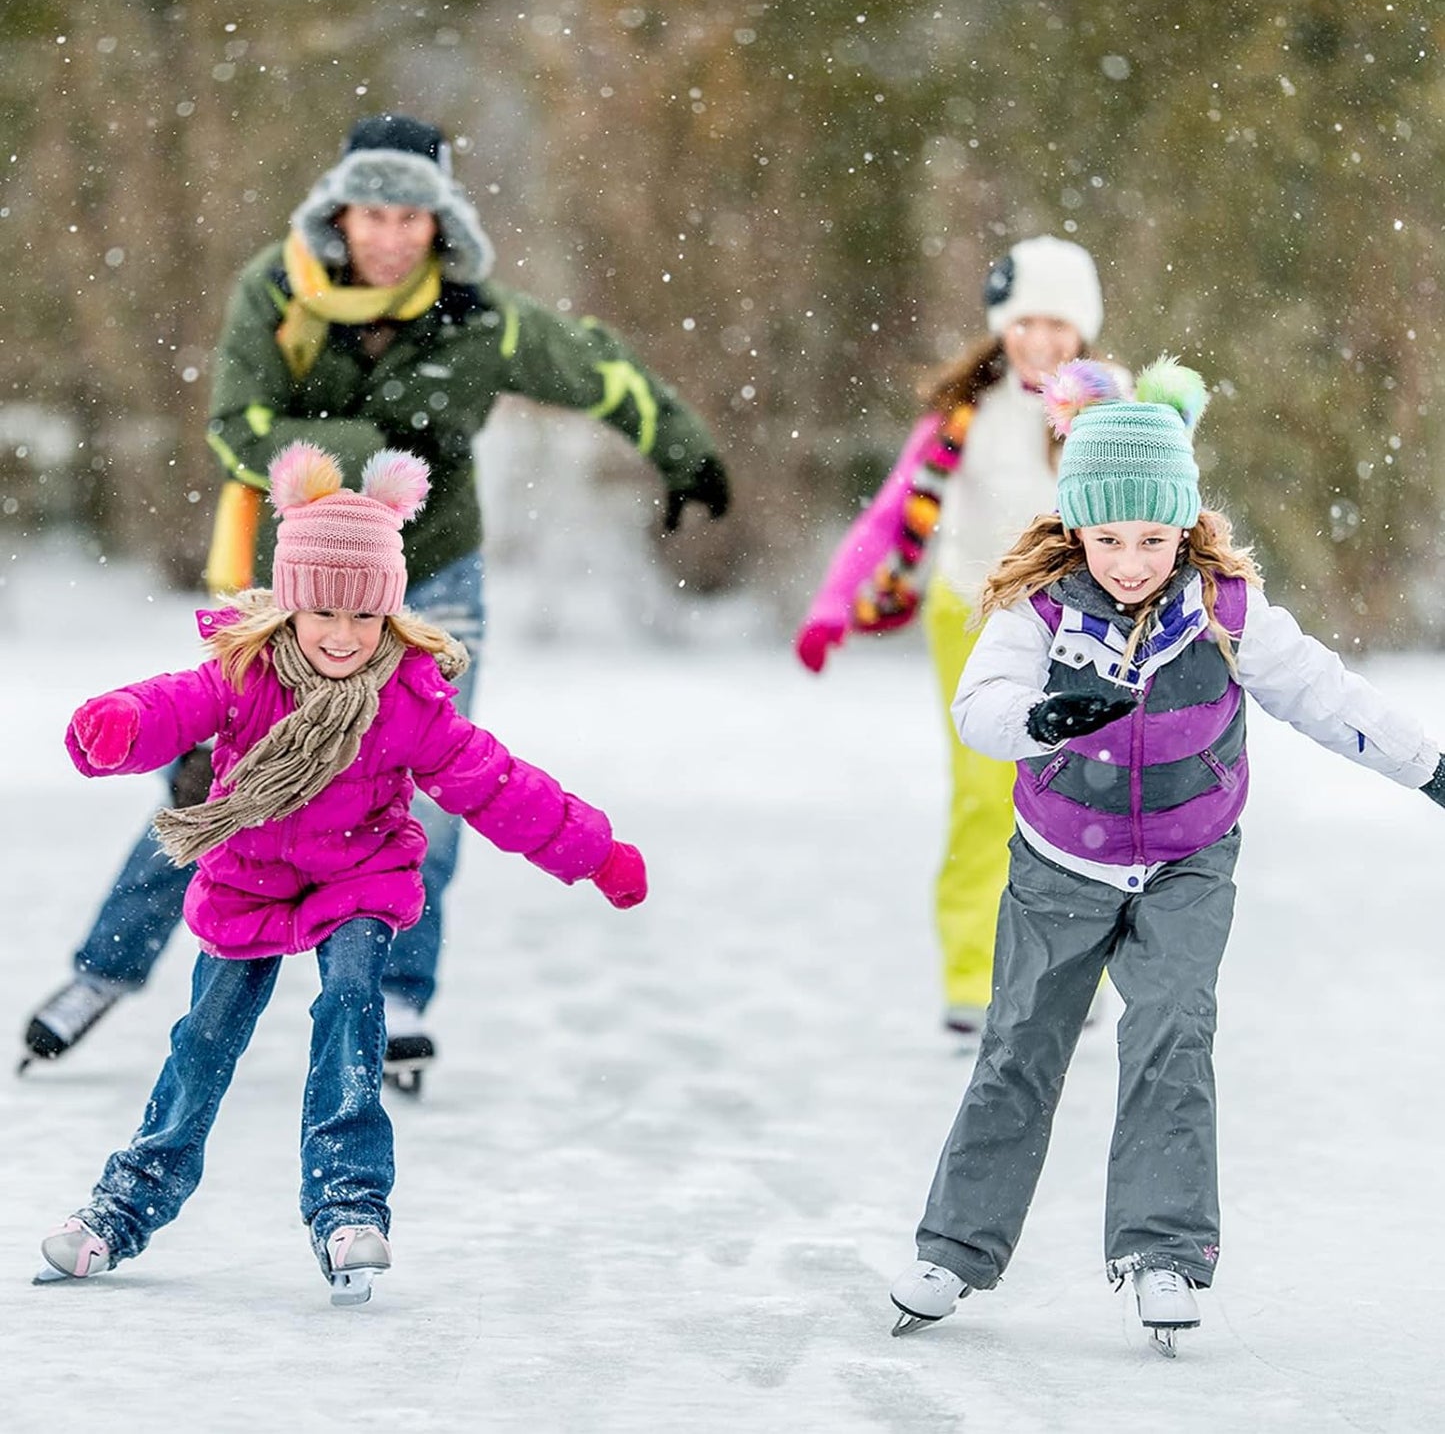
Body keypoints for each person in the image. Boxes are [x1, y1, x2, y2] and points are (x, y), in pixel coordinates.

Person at [20, 111, 727, 1088]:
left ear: (439, 223)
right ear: (339, 212)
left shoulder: (483, 318)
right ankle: (103, 969)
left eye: (412, 216)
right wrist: (374, 455)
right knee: (218, 780)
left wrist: (683, 451)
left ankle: (398, 992)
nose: (390, 235)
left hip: (429, 580)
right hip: (288, 586)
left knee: (430, 786)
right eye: (372, 213)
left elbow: (598, 366)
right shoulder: (277, 290)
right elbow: (239, 426)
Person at [885, 356, 1445, 1354]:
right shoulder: (1040, 607)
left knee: (1171, 1040)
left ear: (1183, 525)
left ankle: (1163, 1253)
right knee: (1017, 1048)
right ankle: (953, 1249)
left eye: (1152, 536)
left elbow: (1323, 694)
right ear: (1075, 527)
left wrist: (1426, 766)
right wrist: (1043, 717)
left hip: (1188, 861)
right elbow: (979, 709)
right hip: (1059, 864)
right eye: (1108, 536)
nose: (1131, 559)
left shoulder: (1226, 611)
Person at [34, 442, 647, 1305]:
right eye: (323, 611)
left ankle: (348, 1206)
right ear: (288, 603)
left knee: (352, 1006)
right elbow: (174, 701)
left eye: (366, 618)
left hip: (358, 875)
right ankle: (124, 1205)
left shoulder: (407, 698)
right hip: (247, 877)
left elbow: (498, 784)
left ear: (390, 615)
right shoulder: (244, 673)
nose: (343, 634)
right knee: (205, 1040)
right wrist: (120, 724)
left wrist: (595, 853)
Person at [792, 236, 1105, 1036]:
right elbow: (889, 514)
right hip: (969, 614)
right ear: (1002, 325)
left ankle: (1077, 970)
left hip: (1081, 620)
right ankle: (973, 976)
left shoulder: (1109, 408)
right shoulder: (962, 415)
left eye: (1058, 325)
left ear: (1083, 332)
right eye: (1025, 321)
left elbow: (1158, 506)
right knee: (985, 795)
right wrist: (834, 604)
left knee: (1081, 794)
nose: (1041, 340)